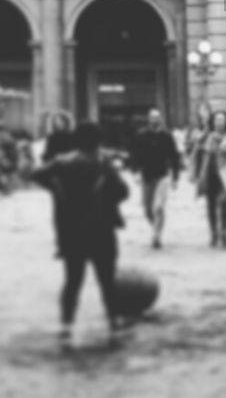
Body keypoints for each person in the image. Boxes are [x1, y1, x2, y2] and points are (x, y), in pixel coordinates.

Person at [32, 121, 129, 349]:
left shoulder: (63, 162)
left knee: (73, 280)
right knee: (107, 280)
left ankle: (66, 327)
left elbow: (37, 173)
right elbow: (123, 191)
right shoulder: (103, 163)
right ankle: (114, 324)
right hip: (101, 228)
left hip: (72, 228)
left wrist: (56, 190)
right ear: (98, 141)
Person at [127, 108, 182, 249]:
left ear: (160, 119)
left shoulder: (166, 136)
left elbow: (174, 157)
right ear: (148, 119)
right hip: (146, 176)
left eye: (157, 117)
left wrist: (175, 177)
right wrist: (135, 172)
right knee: (147, 210)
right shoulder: (141, 135)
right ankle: (156, 228)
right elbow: (134, 155)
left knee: (158, 207)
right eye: (152, 117)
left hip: (162, 176)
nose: (154, 120)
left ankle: (156, 235)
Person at [192, 110, 226, 248]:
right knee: (210, 205)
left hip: (225, 176)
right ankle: (214, 233)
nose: (219, 122)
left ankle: (225, 233)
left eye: (222, 119)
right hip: (209, 174)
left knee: (225, 203)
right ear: (213, 122)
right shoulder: (207, 136)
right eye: (216, 119)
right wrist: (195, 174)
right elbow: (196, 154)